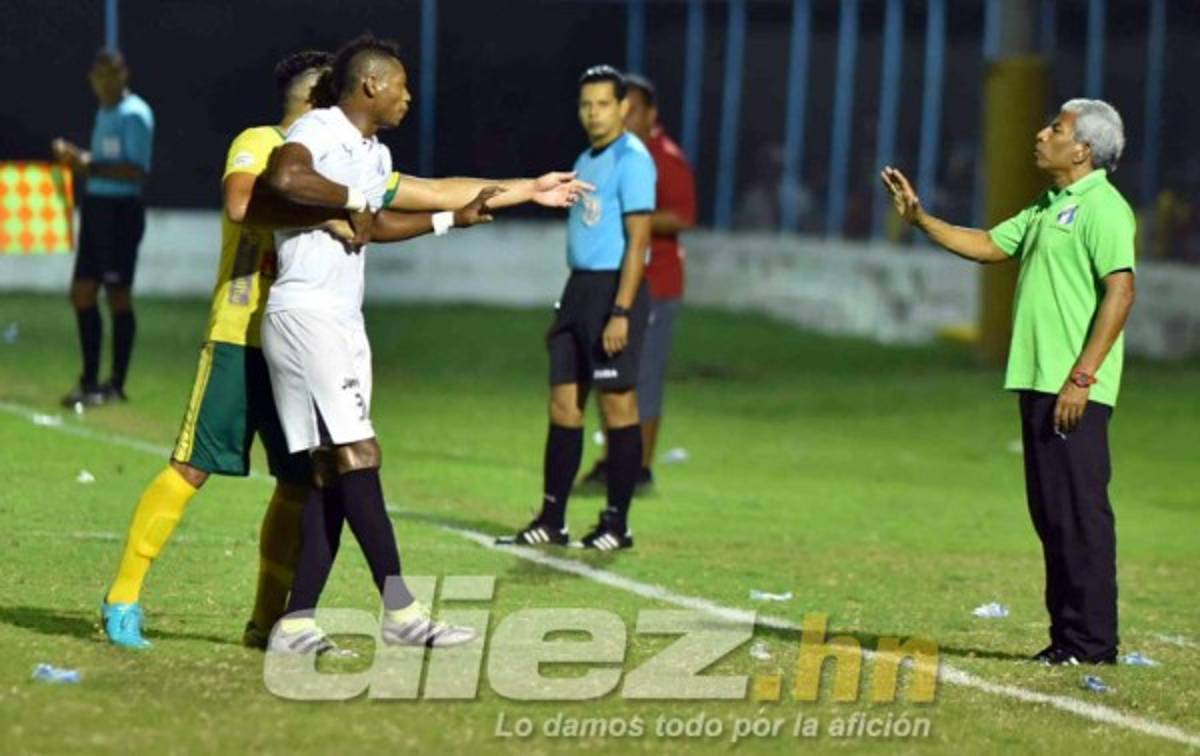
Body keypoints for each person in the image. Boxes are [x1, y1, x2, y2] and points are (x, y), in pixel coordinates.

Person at [260, 35, 589, 653]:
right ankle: (402, 612)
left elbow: (427, 197)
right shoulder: (324, 128)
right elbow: (285, 176)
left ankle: (297, 621)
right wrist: (354, 200)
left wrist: (524, 190)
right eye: (402, 86)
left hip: (341, 317)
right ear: (371, 87)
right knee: (360, 454)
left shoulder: (371, 152)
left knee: (334, 470)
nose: (409, 96)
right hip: (306, 314)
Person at [100, 51, 351, 650]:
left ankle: (264, 622)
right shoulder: (259, 141)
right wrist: (333, 214)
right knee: (192, 466)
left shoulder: (331, 158)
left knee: (298, 483)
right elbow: (242, 202)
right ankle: (122, 600)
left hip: (300, 343)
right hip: (241, 333)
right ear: (314, 96)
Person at [881, 99, 1136, 665]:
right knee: (1051, 515)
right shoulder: (1050, 205)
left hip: (1076, 388)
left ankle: (1094, 643)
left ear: (1082, 150)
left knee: (1080, 515)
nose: (1042, 133)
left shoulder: (1104, 209)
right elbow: (989, 245)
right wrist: (921, 219)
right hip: (1039, 381)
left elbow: (1121, 290)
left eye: (1057, 128)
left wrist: (1082, 377)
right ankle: (1067, 639)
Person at [498, 65, 656, 551]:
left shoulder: (633, 159)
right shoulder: (585, 159)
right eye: (586, 104)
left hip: (613, 291)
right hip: (578, 291)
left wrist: (621, 312)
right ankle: (552, 519)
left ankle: (617, 523)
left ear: (623, 106)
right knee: (563, 405)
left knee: (616, 406)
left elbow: (638, 243)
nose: (593, 113)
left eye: (603, 104)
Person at [577, 72, 696, 493]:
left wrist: (633, 214)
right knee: (610, 377)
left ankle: (639, 468)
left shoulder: (664, 158)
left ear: (650, 113)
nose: (624, 117)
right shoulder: (611, 155)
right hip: (615, 279)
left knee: (642, 378)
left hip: (658, 283)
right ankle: (615, 462)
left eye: (632, 109)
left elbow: (683, 216)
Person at [53, 50, 154, 407]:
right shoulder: (104, 111)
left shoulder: (135, 114)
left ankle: (116, 383)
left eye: (112, 74)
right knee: (82, 293)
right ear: (92, 79)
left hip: (121, 212)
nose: (105, 82)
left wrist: (85, 165)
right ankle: (89, 381)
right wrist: (78, 159)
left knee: (117, 295)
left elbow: (136, 170)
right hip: (96, 210)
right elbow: (104, 161)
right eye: (99, 75)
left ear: (124, 75)